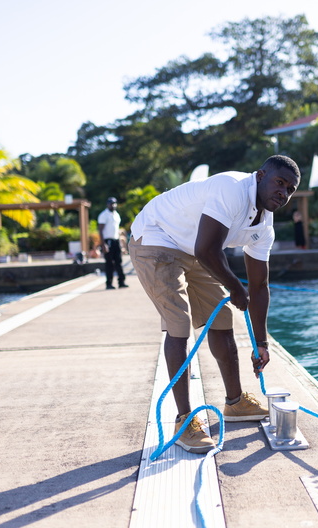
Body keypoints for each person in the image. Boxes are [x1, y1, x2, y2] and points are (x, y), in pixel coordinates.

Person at [129, 154, 301, 453]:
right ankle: (184, 422)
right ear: (260, 176)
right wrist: (235, 286)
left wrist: (261, 343)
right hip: (157, 236)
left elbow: (259, 285)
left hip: (194, 248)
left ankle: (234, 403)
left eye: (290, 189)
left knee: (221, 320)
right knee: (179, 325)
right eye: (279, 183)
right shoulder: (231, 188)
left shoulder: (265, 227)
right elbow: (207, 250)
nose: (283, 193)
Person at [98, 197, 128, 290]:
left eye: (114, 203)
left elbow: (116, 230)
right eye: (111, 204)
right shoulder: (103, 215)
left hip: (116, 240)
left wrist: (121, 243)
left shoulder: (116, 215)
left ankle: (121, 282)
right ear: (107, 204)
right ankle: (109, 283)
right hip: (108, 241)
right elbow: (100, 230)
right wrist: (103, 244)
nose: (113, 205)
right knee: (109, 263)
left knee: (119, 261)